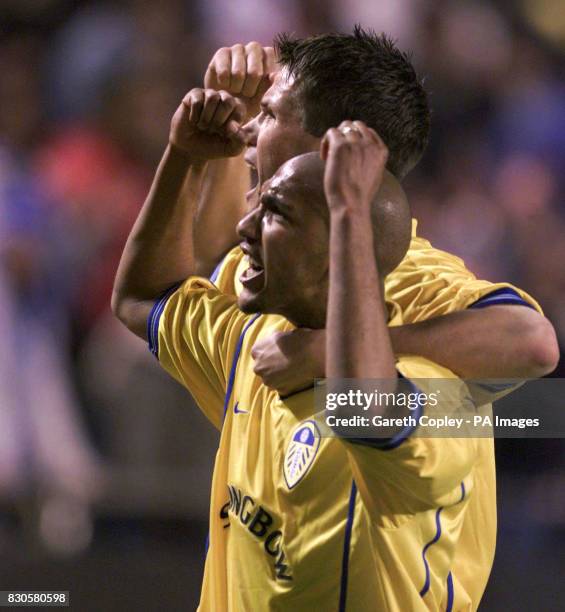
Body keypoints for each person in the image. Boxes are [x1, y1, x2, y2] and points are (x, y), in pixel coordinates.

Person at [114, 99, 497, 608]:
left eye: (275, 214)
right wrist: (184, 157)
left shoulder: (441, 393)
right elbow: (140, 297)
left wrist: (350, 214)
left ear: (336, 245)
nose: (245, 226)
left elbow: (369, 413)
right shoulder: (252, 341)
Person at [189, 30, 558, 394]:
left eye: (267, 114)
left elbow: (534, 343)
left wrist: (328, 350)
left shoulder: (402, 267)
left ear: (336, 145)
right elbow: (211, 264)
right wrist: (224, 115)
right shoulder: (279, 247)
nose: (249, 128)